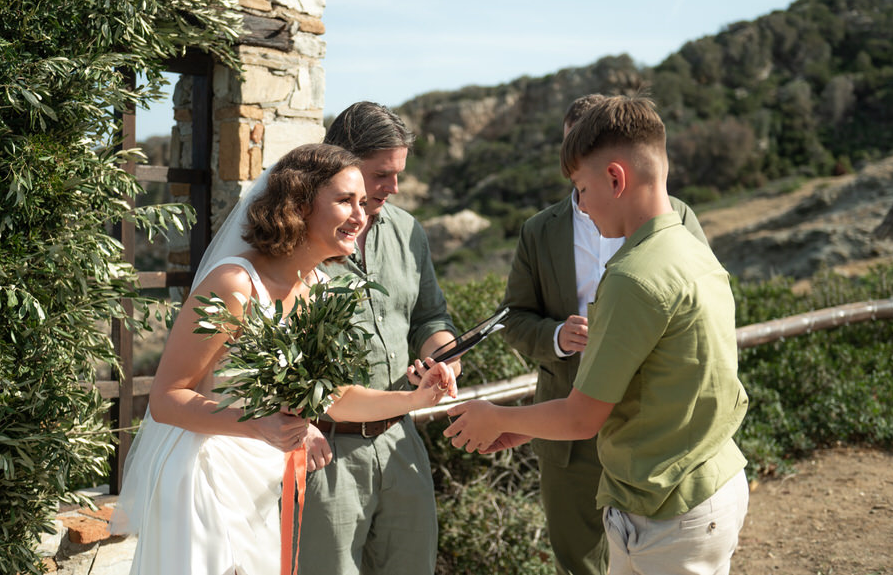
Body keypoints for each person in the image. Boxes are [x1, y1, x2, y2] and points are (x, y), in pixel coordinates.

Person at [109, 144, 457, 575]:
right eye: (345, 201)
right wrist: (258, 424)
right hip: (206, 478)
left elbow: (334, 397)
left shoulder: (318, 289)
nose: (360, 215)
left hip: (263, 483)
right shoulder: (234, 284)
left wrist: (416, 399)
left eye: (363, 202)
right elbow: (166, 399)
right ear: (299, 205)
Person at [446, 95, 749, 575]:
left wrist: (495, 417)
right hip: (707, 480)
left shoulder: (633, 275)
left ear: (615, 178)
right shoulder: (688, 249)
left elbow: (582, 418)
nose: (581, 205)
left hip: (666, 508)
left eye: (582, 188)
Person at [500, 94, 709, 575]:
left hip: (648, 426)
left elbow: (698, 307)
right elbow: (513, 317)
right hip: (567, 428)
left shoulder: (675, 216)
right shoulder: (538, 230)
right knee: (578, 560)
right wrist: (556, 336)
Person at [296, 101, 460, 575]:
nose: (393, 187)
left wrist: (444, 359)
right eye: (381, 174)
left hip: (402, 442)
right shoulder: (300, 238)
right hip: (325, 450)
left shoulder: (408, 231)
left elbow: (430, 318)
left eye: (398, 174)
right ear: (340, 164)